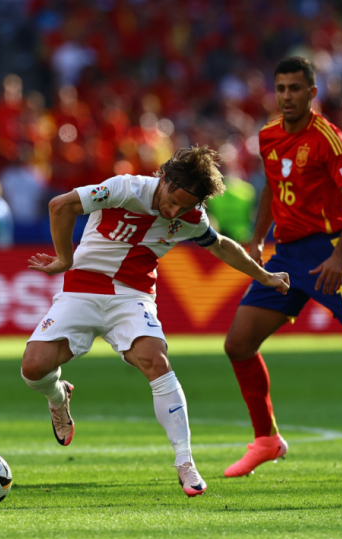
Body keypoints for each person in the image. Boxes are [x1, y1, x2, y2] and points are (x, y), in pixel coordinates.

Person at [20, 147, 290, 497]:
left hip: (132, 297)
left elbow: (222, 246)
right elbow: (60, 205)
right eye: (173, 201)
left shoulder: (192, 217)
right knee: (33, 368)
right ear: (164, 179)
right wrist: (63, 259)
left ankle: (185, 463)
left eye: (184, 208)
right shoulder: (124, 188)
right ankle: (59, 397)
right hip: (82, 289)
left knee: (156, 361)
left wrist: (264, 276)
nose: (174, 212)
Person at [223, 57, 342, 477]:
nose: (286, 96)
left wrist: (338, 256)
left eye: (295, 88)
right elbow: (271, 187)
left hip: (329, 252)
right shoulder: (268, 135)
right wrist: (256, 239)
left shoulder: (329, 139)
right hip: (285, 256)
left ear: (312, 93)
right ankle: (267, 440)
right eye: (281, 88)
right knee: (238, 344)